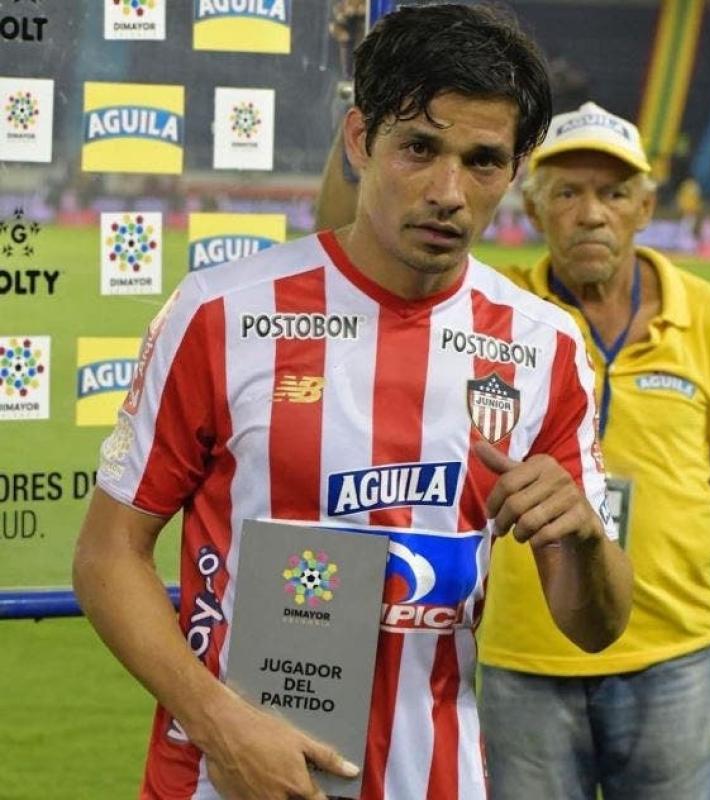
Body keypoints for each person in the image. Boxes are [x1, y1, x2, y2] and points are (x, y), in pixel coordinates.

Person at [73, 8, 632, 800]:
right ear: (361, 138)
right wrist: (217, 722)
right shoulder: (221, 313)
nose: (447, 192)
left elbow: (594, 625)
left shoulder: (545, 345)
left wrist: (581, 538)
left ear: (513, 171)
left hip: (433, 776)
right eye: (419, 148)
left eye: (481, 161)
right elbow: (107, 555)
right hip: (226, 776)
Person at [477, 102, 710, 800]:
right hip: (524, 654)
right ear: (533, 208)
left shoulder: (707, 316)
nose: (591, 214)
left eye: (613, 194)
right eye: (567, 193)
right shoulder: (493, 317)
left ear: (644, 207)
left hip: (677, 651)